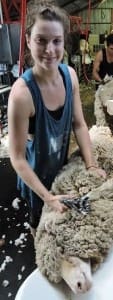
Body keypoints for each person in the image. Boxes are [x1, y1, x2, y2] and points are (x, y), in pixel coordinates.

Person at [8, 4, 106, 237]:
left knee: (63, 224)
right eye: (41, 40)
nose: (49, 50)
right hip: (36, 180)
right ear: (29, 40)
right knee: (40, 225)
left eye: (56, 41)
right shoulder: (22, 95)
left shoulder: (69, 76)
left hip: (61, 171)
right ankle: (37, 248)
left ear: (64, 42)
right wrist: (47, 197)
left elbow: (79, 124)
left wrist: (91, 164)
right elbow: (17, 158)